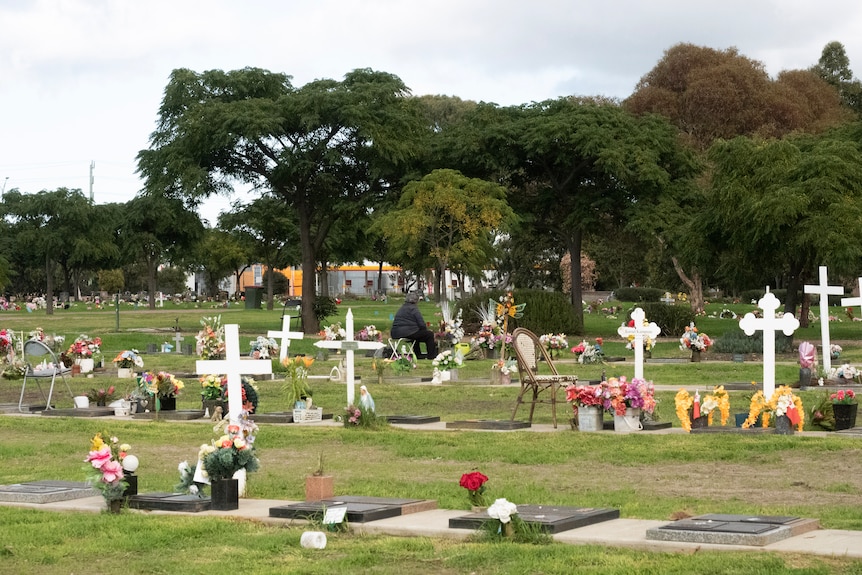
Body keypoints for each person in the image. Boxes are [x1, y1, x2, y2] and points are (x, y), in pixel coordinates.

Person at [390, 292, 438, 359]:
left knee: (416, 335)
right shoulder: (414, 309)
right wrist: (426, 329)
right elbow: (421, 324)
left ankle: (418, 354)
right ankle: (431, 356)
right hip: (408, 332)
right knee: (429, 334)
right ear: (416, 301)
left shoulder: (401, 308)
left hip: (395, 333)